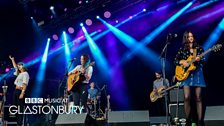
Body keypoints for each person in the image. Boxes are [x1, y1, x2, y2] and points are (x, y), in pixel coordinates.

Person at [174, 31, 206, 126]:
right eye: (188, 36)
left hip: (197, 74)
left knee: (198, 97)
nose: (191, 38)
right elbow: (175, 60)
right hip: (186, 75)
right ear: (186, 38)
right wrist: (182, 62)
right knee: (187, 97)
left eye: (192, 36)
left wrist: (199, 60)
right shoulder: (182, 49)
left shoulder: (199, 49)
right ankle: (188, 120)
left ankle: (200, 121)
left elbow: (203, 61)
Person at [9, 55, 29, 126]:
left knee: (20, 108)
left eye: (20, 65)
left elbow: (25, 84)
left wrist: (22, 93)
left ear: (23, 66)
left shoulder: (25, 74)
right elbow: (15, 68)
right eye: (18, 65)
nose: (18, 66)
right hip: (16, 91)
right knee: (15, 107)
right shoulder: (19, 74)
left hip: (21, 91)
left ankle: (20, 123)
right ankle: (18, 123)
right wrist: (12, 60)